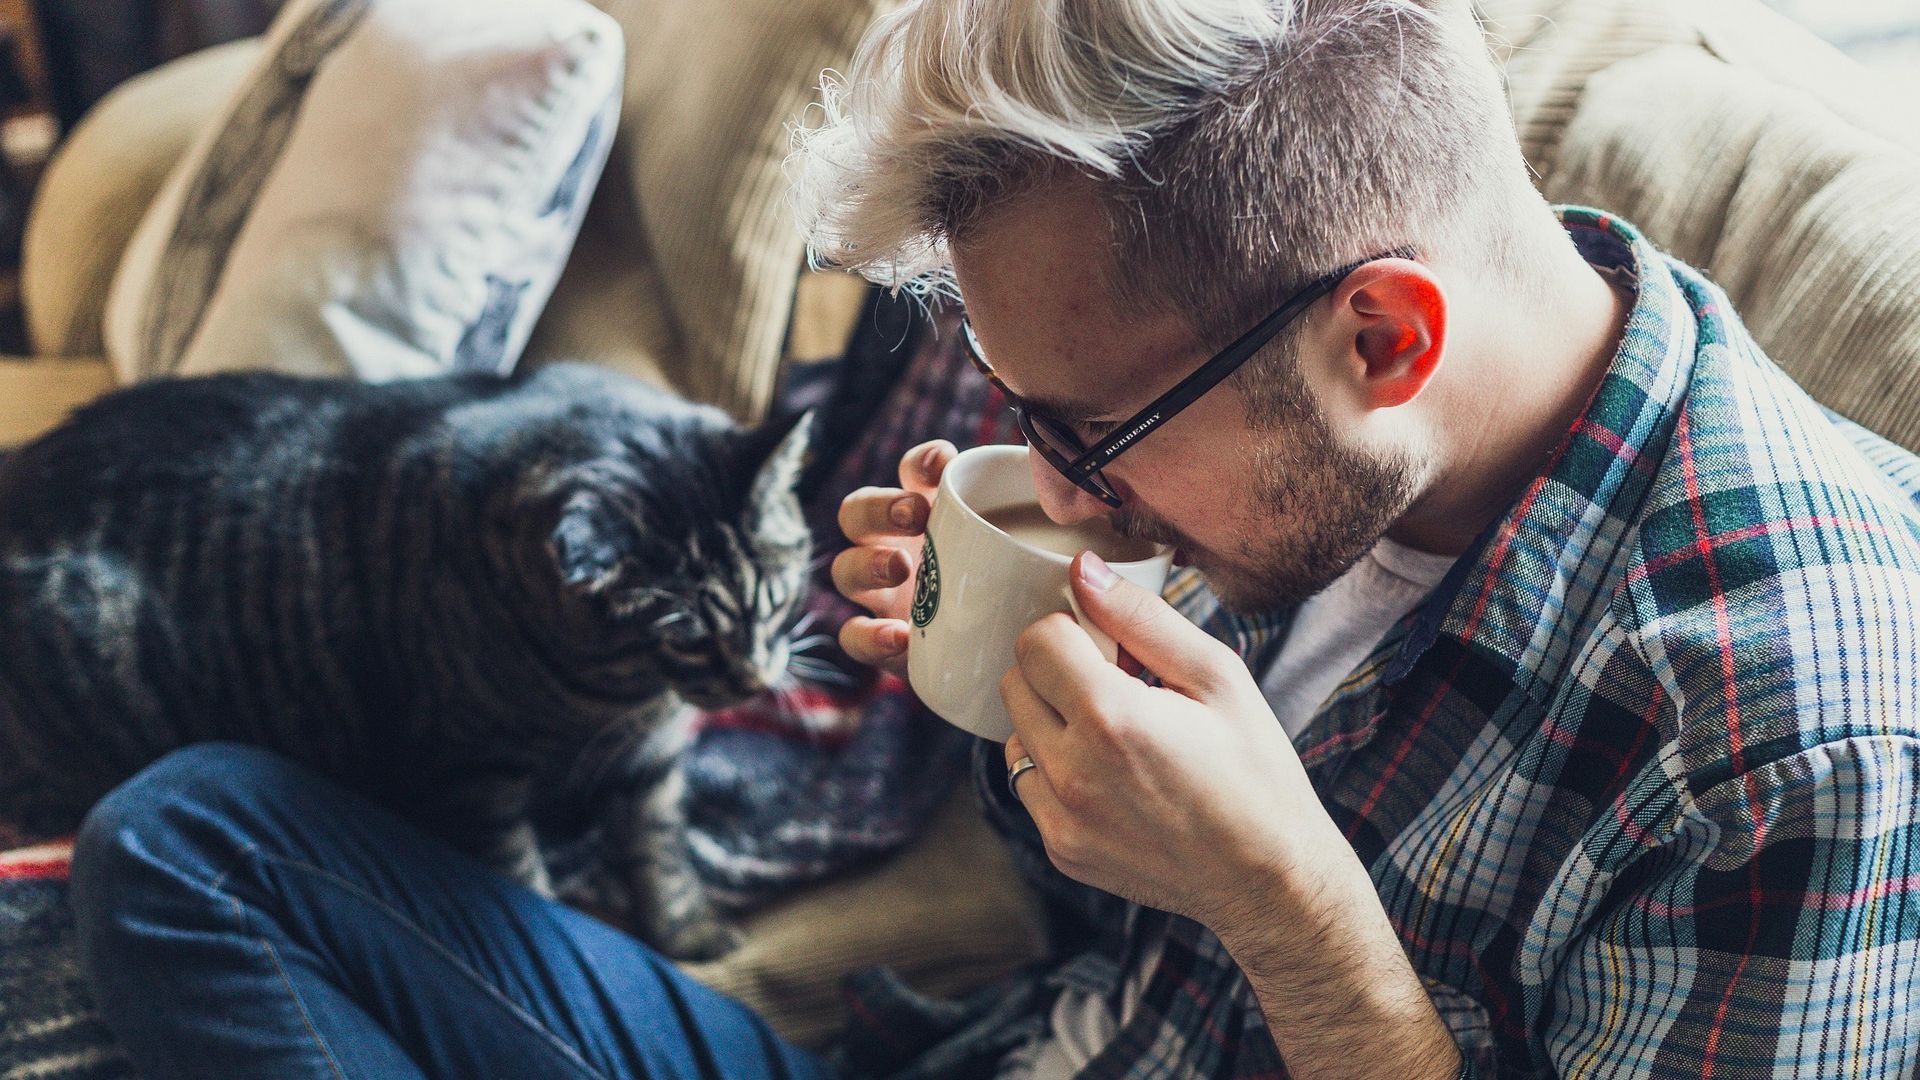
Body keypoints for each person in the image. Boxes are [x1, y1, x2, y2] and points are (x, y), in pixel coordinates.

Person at [68, 0, 1920, 1078]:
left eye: (1083, 434)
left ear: (1381, 340)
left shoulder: (1793, 738)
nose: (1055, 485)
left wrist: (1295, 925)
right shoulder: (1316, 449)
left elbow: (1273, 934)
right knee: (187, 840)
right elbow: (1102, 920)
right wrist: (1003, 707)